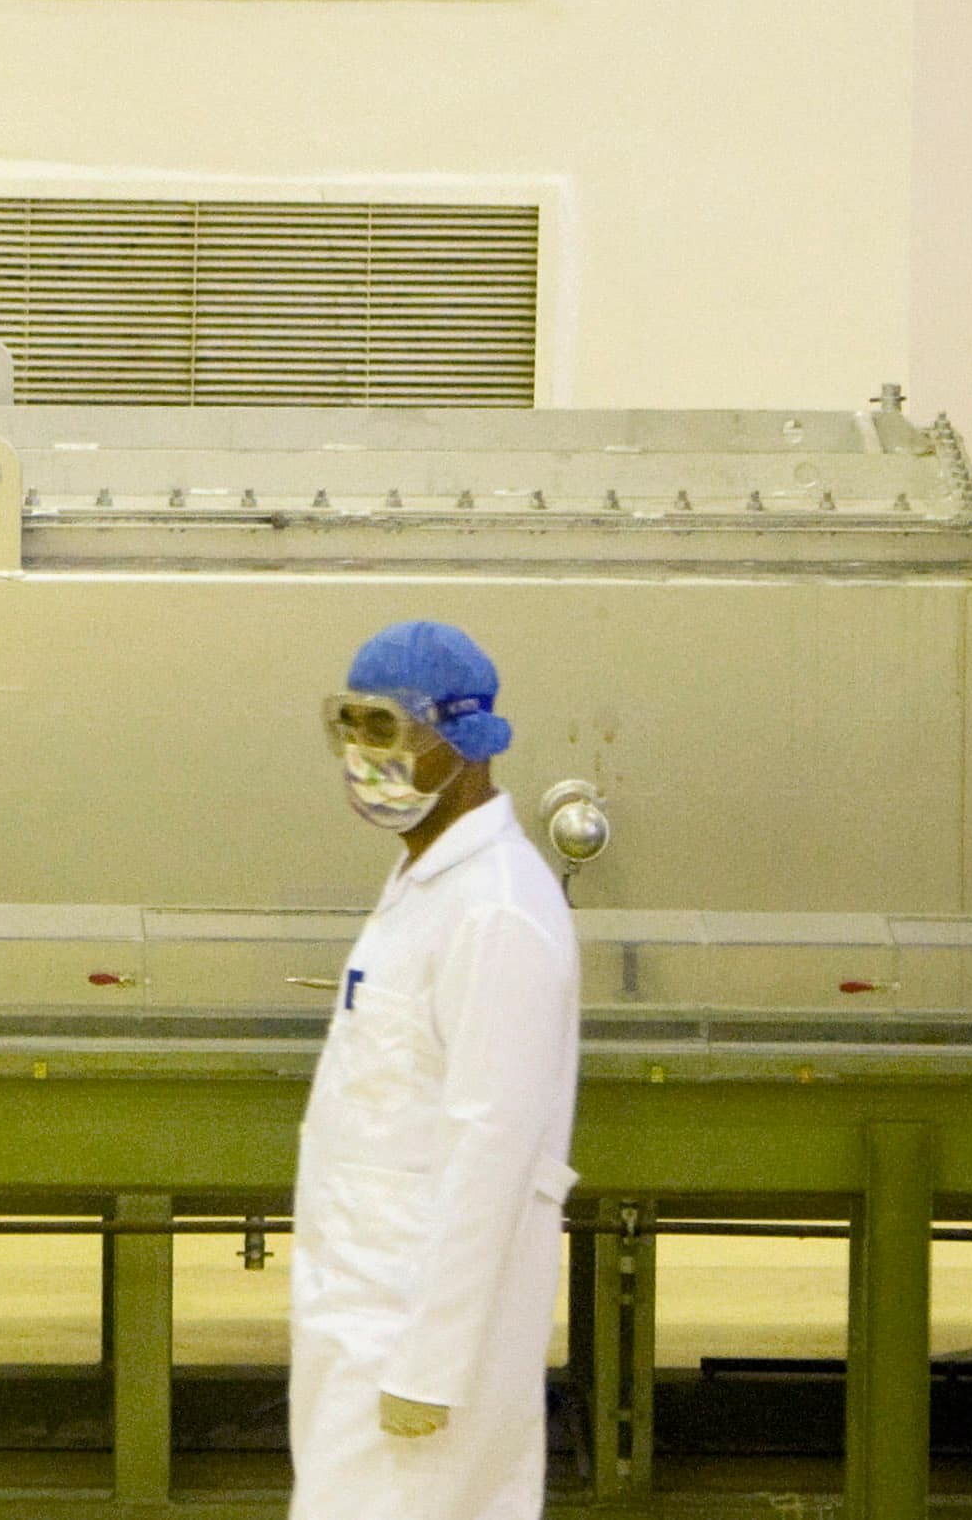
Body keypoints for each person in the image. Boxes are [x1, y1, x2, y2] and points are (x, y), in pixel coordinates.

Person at [287, 620, 581, 1520]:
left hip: (415, 1342)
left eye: (384, 729)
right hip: (362, 1317)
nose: (361, 756)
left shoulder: (497, 912)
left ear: (464, 739)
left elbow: (494, 1152)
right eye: (350, 728)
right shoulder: (428, 887)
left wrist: (430, 1365)